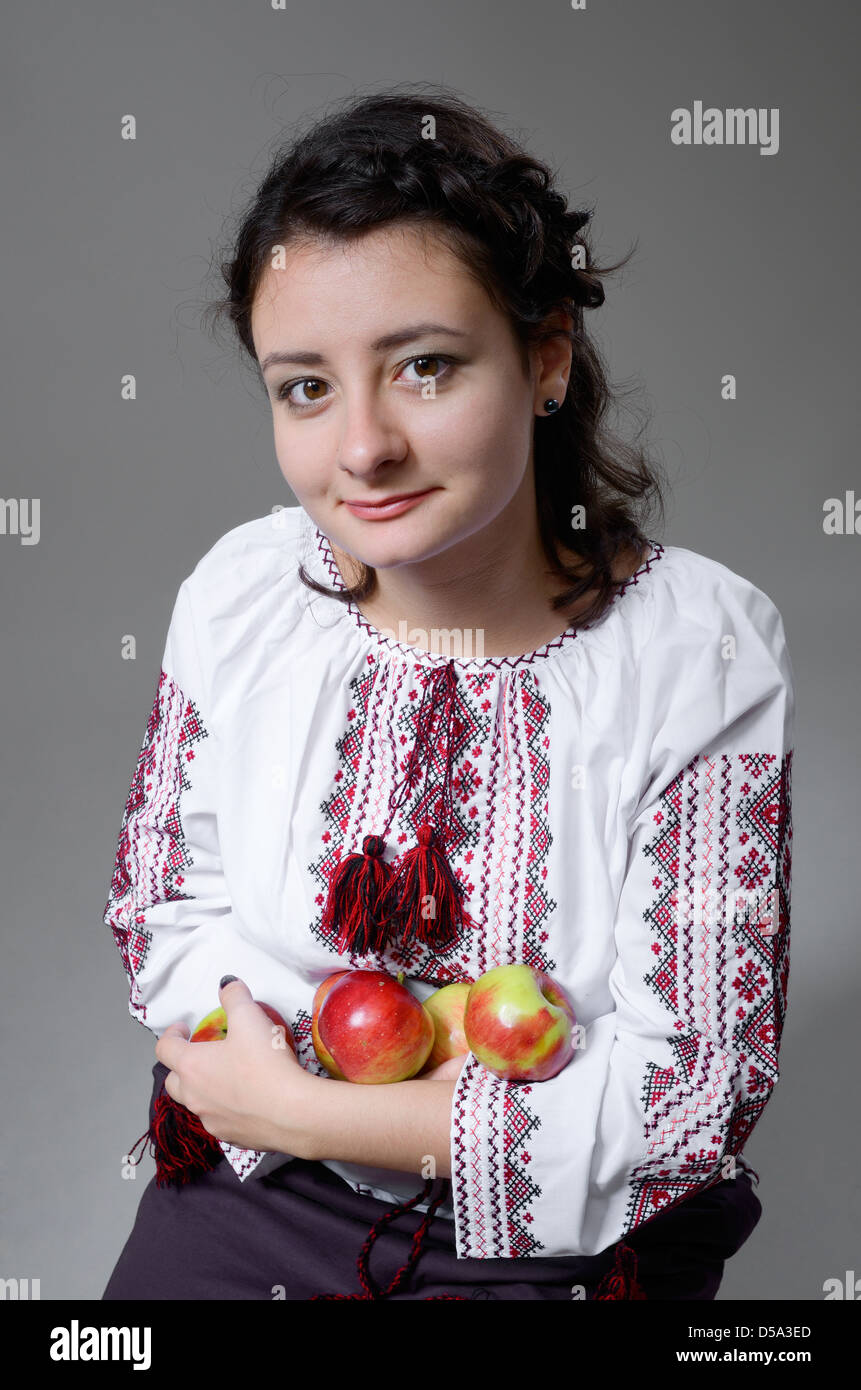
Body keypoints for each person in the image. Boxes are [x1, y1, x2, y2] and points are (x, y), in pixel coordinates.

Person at [100, 85, 793, 1301]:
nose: (362, 447)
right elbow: (163, 900)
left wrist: (325, 1108)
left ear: (546, 359)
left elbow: (691, 1091)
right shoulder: (241, 595)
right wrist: (286, 1101)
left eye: (423, 366)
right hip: (250, 1181)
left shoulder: (699, 649)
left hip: (561, 1233)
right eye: (305, 386)